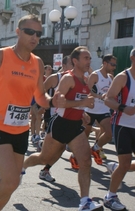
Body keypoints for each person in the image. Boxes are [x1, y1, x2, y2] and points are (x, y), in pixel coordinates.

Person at [0, 14, 65, 211]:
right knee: (9, 180)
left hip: (20, 129)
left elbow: (40, 96)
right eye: (29, 32)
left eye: (38, 33)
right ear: (18, 32)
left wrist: (52, 101)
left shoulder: (38, 63)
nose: (34, 37)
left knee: (13, 182)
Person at [23, 46, 103, 211]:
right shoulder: (68, 79)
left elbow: (79, 101)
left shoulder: (86, 80)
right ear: (75, 61)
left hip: (75, 127)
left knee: (86, 161)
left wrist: (83, 114)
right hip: (60, 124)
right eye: (86, 58)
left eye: (89, 58)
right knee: (44, 158)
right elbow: (59, 102)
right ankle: (21, 168)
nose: (89, 61)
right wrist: (82, 104)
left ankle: (85, 202)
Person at [101, 48, 135, 210]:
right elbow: (108, 99)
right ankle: (110, 196)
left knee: (125, 163)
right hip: (123, 125)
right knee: (125, 163)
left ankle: (115, 167)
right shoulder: (123, 77)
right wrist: (123, 107)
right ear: (133, 58)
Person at [84, 54, 116, 164]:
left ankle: (95, 148)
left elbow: (112, 93)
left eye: (115, 65)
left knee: (109, 134)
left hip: (104, 110)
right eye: (112, 64)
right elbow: (87, 91)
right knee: (85, 136)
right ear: (105, 63)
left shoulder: (111, 77)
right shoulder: (95, 75)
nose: (114, 67)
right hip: (90, 110)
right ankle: (75, 156)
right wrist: (99, 96)